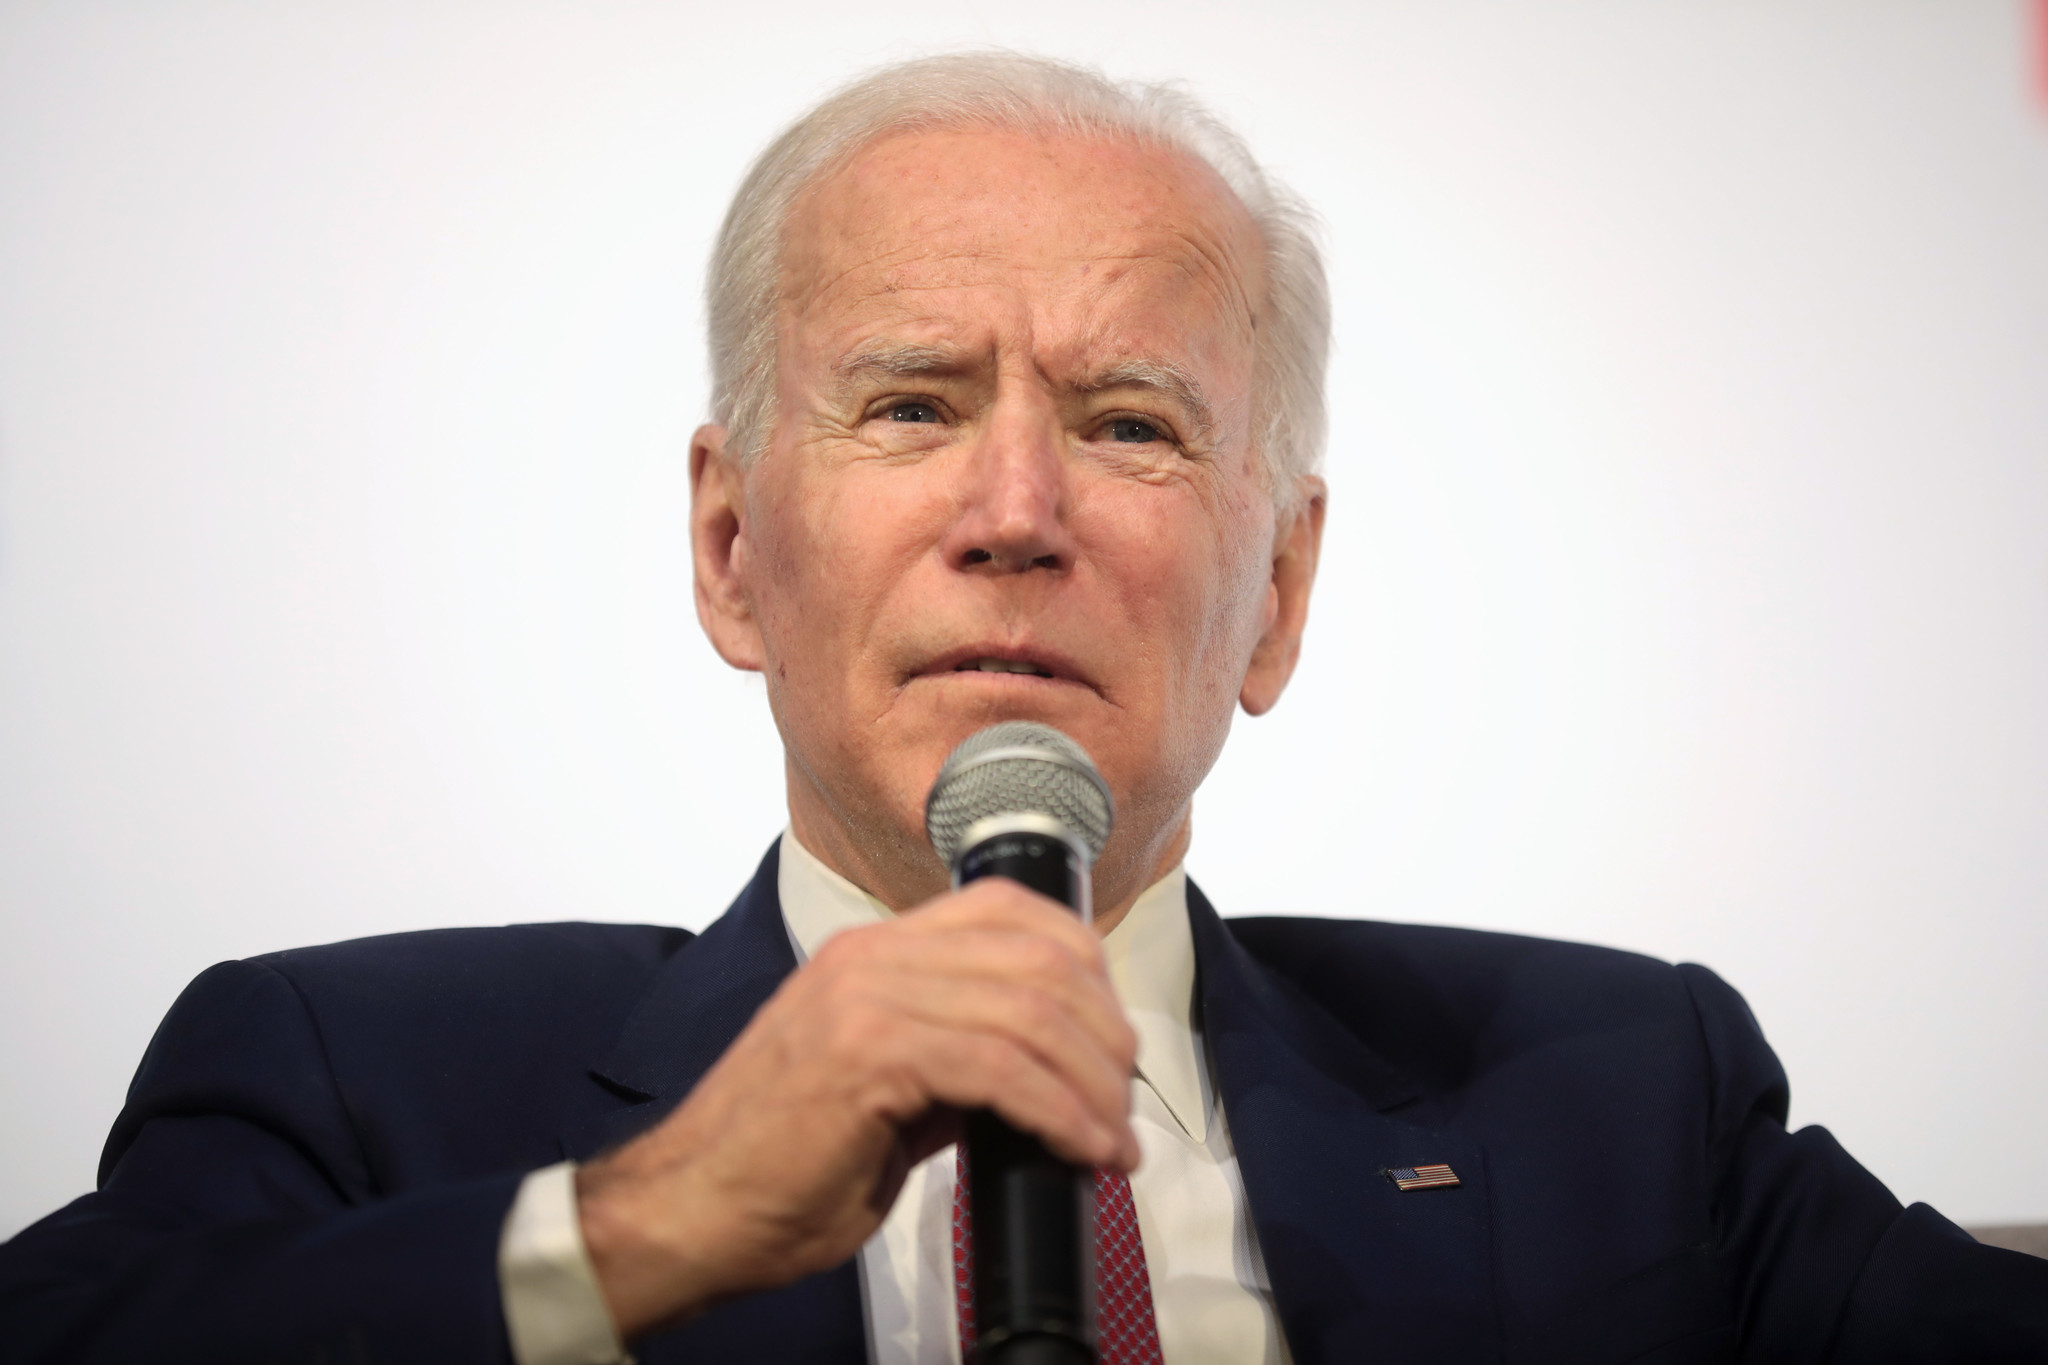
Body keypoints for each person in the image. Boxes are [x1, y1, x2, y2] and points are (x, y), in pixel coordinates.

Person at [1, 50, 2042, 1365]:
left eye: (1132, 422)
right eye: (909, 402)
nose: (1014, 511)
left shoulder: (1621, 1093)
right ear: (731, 548)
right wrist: (643, 1227)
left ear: (1281, 587)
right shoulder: (353, 1082)